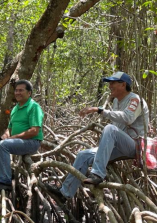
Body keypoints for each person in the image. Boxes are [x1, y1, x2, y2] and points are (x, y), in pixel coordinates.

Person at [49, 72, 149, 201]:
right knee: (83, 155)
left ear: (123, 84)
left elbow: (128, 118)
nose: (110, 86)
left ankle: (98, 174)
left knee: (110, 128)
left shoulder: (134, 99)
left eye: (113, 83)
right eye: (109, 83)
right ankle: (65, 193)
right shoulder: (116, 102)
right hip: (119, 146)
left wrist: (100, 110)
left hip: (134, 146)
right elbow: (117, 128)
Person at [0, 79, 44, 192]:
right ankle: (6, 173)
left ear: (29, 93)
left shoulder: (34, 107)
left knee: (3, 145)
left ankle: (5, 182)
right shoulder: (15, 109)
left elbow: (34, 131)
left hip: (32, 142)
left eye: (21, 90)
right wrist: (2, 138)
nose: (17, 93)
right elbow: (9, 129)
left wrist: (12, 138)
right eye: (16, 90)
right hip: (16, 142)